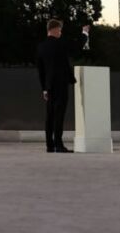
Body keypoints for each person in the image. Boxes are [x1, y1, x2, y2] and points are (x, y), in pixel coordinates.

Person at [37, 17, 76, 153]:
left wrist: (44, 89)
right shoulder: (60, 44)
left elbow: (41, 71)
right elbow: (77, 47)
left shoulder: (41, 46)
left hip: (49, 86)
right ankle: (59, 145)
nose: (61, 32)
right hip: (61, 84)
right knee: (59, 115)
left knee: (50, 116)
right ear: (54, 29)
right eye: (60, 30)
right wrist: (85, 34)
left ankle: (49, 145)